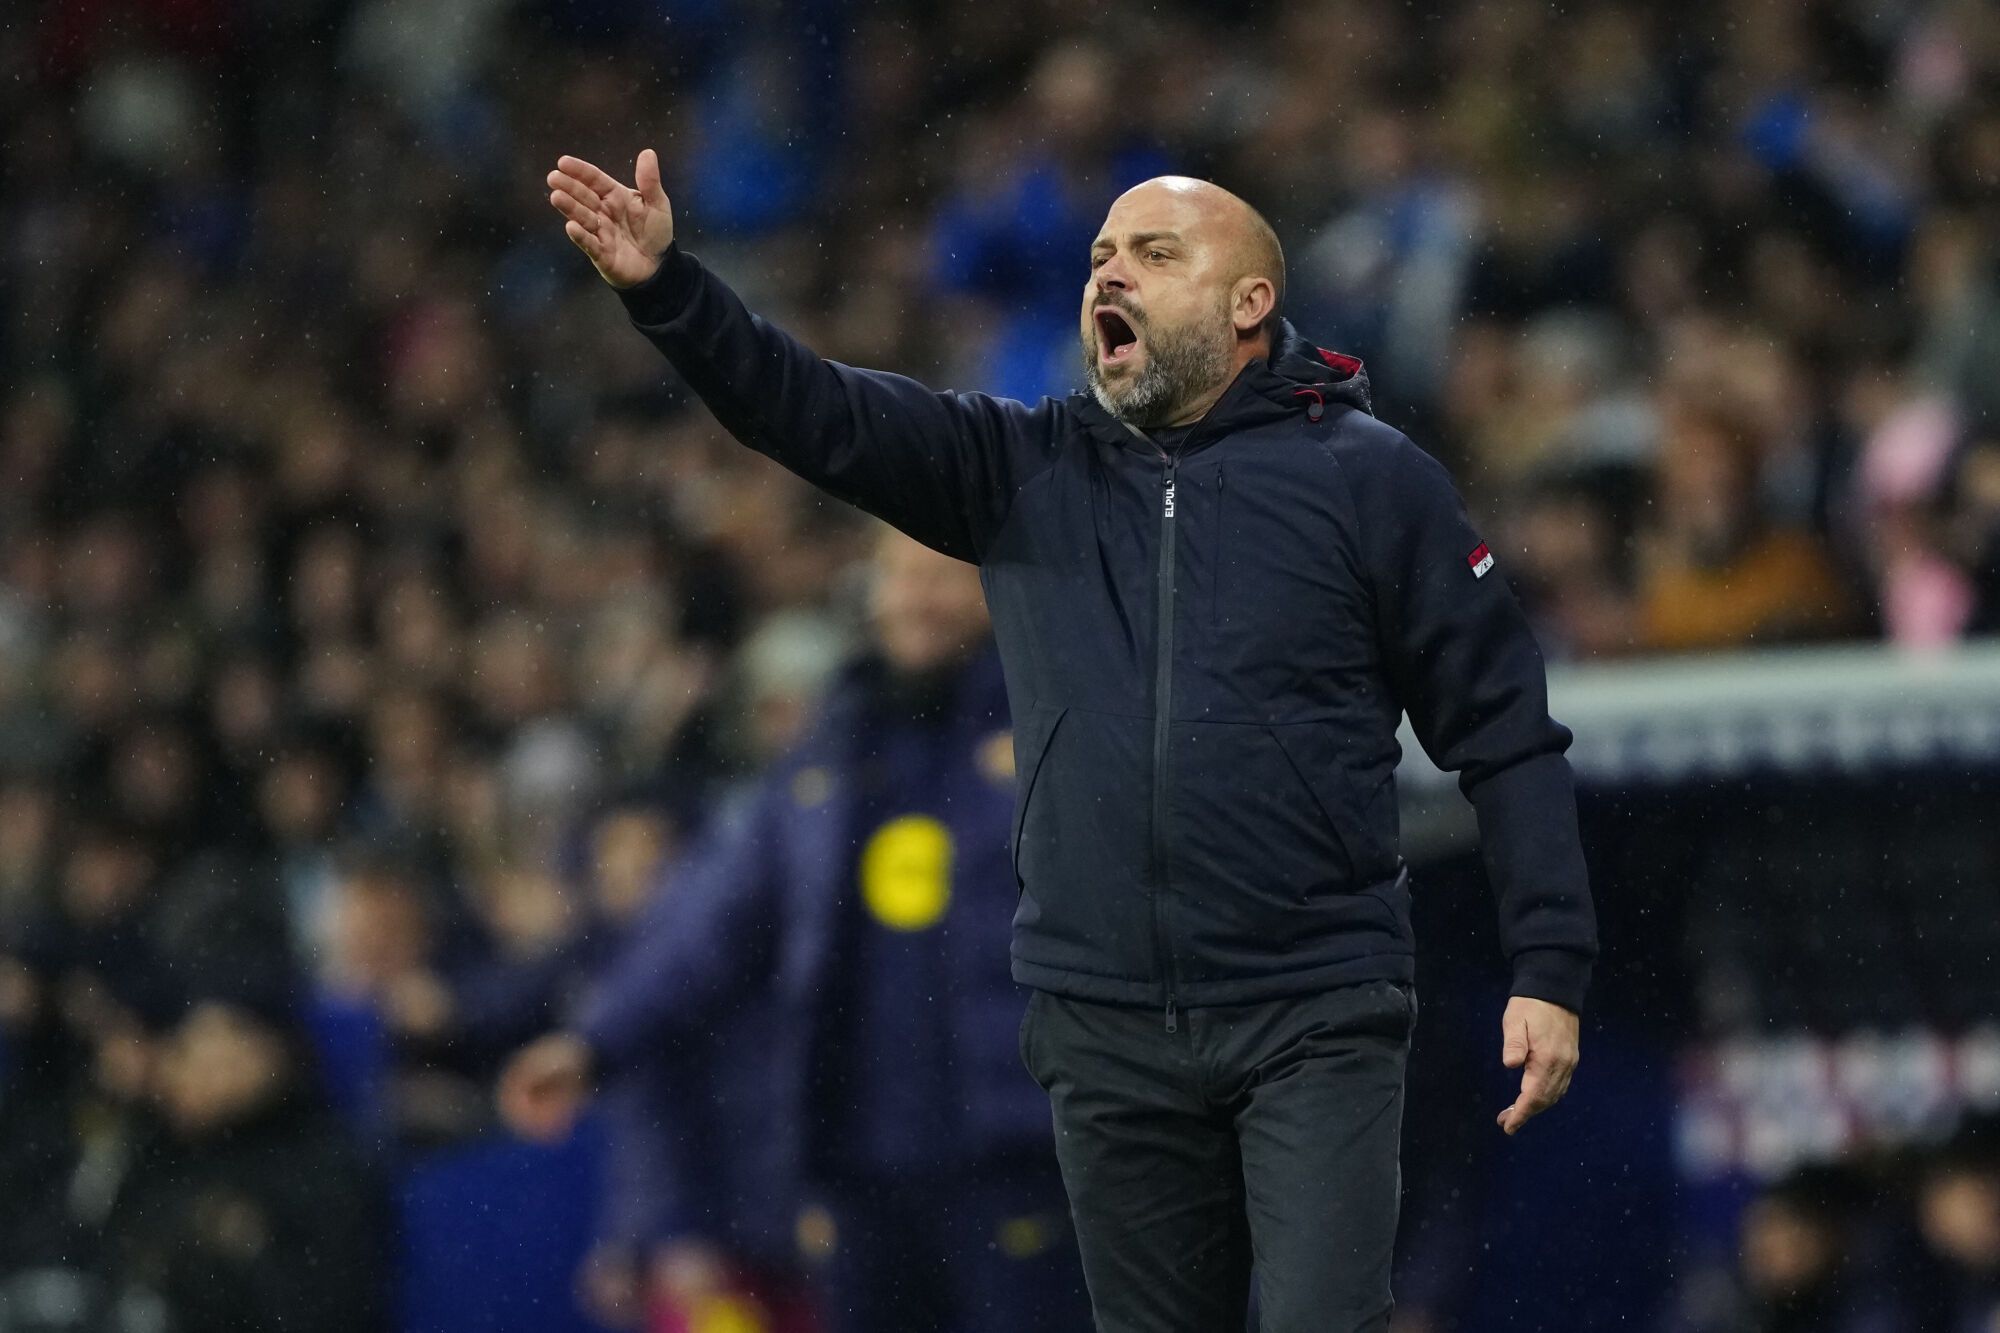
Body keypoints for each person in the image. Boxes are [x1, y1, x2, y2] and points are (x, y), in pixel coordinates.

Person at [541, 148, 1597, 1332]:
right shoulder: (1020, 468)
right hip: (1102, 1028)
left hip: (1312, 1009)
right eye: (1099, 256)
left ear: (1250, 302)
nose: (1112, 274)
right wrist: (668, 291)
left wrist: (1548, 962)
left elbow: (1502, 727)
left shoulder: (1372, 483)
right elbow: (808, 408)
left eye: (1155, 254)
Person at [500, 530, 1089, 1333]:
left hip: (1013, 1156)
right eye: (901, 576)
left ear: (998, 592)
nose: (918, 597)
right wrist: (593, 1042)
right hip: (856, 1167)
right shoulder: (832, 746)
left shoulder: (1054, 723)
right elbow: (710, 923)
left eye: (944, 579)